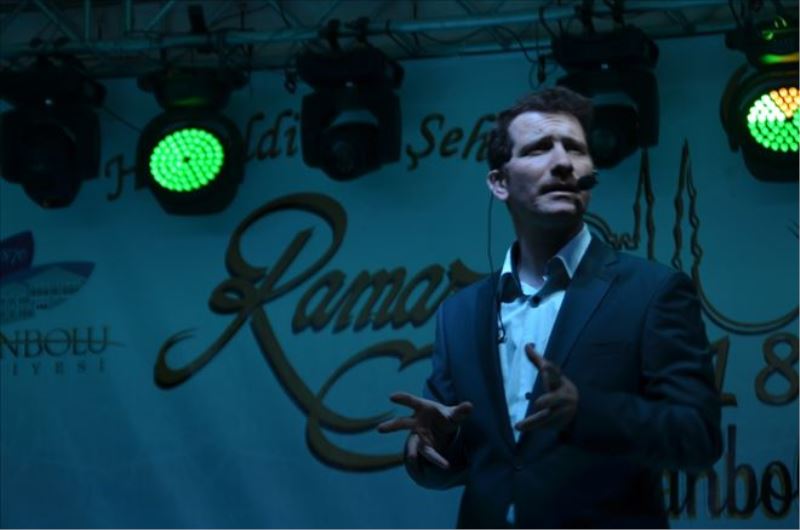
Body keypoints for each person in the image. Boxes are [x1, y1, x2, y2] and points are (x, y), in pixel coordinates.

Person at [378, 87, 722, 528]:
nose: (563, 162)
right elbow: (477, 462)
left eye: (575, 149)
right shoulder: (459, 314)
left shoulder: (652, 292)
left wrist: (585, 412)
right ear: (499, 183)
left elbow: (699, 437)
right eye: (539, 148)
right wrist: (436, 443)